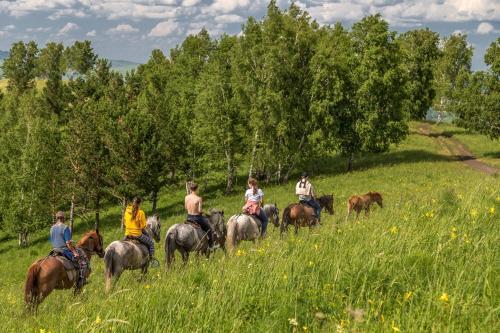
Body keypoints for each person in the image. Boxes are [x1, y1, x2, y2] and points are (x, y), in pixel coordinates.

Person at [49, 211, 86, 288]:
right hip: (64, 251)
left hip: (54, 250)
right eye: (64, 218)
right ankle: (81, 280)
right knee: (82, 262)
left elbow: (52, 240)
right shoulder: (65, 228)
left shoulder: (51, 228)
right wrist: (75, 252)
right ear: (63, 218)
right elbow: (68, 244)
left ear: (57, 218)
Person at [124, 197, 158, 265]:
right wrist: (147, 225)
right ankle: (151, 260)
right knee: (151, 243)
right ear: (139, 203)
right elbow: (142, 227)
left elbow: (125, 223)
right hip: (137, 234)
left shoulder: (126, 211)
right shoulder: (140, 212)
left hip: (127, 233)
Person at [185, 182, 216, 251]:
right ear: (197, 189)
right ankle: (211, 247)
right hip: (197, 218)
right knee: (209, 229)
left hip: (188, 217)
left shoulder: (186, 197)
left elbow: (186, 208)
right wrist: (206, 213)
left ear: (190, 189)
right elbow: (199, 211)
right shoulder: (199, 199)